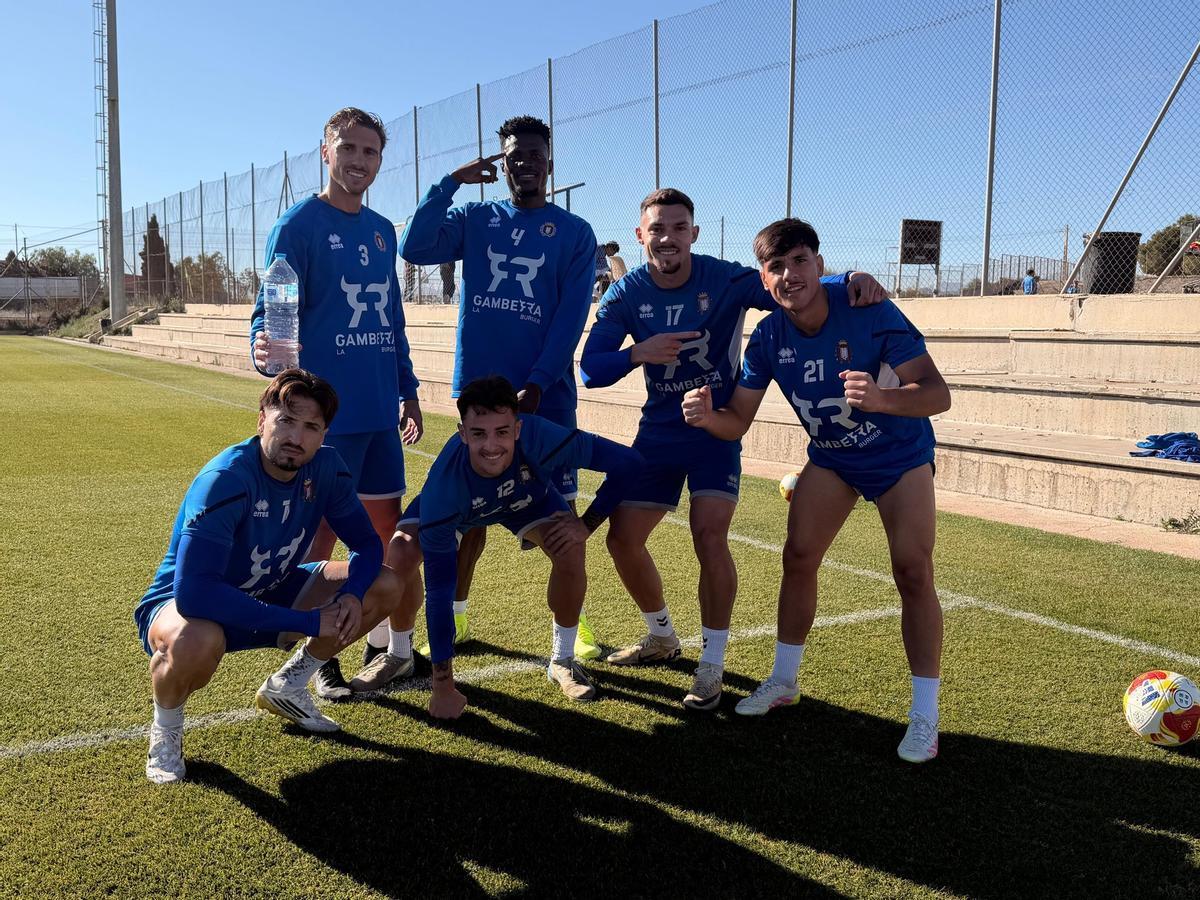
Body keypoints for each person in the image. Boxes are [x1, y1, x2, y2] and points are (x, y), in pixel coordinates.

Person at [578, 189, 888, 711]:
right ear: (640, 235)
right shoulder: (627, 292)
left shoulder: (721, 277)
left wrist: (848, 277)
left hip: (716, 431)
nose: (668, 238)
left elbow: (787, 286)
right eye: (657, 229)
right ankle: (662, 636)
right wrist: (638, 352)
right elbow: (591, 368)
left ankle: (712, 664)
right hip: (659, 432)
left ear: (694, 234)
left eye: (679, 228)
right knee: (623, 540)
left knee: (709, 534)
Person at [681, 218, 951, 762]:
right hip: (832, 457)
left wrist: (884, 400)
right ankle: (784, 680)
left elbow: (937, 393)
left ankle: (925, 715)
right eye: (776, 267)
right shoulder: (768, 337)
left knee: (912, 571)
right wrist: (708, 418)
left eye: (799, 261)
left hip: (898, 457)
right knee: (799, 556)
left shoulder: (868, 308)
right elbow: (738, 421)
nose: (789, 275)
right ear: (764, 278)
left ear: (819, 264)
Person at [134, 369, 407, 784]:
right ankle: (166, 730)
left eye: (311, 426)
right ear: (262, 419)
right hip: (188, 607)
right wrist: (307, 622)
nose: (296, 437)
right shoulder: (225, 480)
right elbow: (195, 594)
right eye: (286, 420)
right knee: (195, 640)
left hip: (273, 586)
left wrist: (352, 594)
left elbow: (367, 545)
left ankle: (290, 684)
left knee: (384, 584)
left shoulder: (326, 468)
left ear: (324, 434)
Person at [397, 115, 601, 660]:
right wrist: (450, 183)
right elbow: (414, 247)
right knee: (468, 517)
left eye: (534, 154)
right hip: (480, 397)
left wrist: (536, 383)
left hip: (545, 397)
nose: (524, 163)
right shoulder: (476, 217)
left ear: (549, 163)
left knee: (561, 519)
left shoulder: (575, 233)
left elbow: (570, 317)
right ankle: (458, 617)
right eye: (514, 155)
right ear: (502, 164)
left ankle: (573, 630)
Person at [250, 108, 424, 701]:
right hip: (325, 418)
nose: (359, 161)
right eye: (348, 148)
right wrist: (262, 348)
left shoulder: (382, 231)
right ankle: (312, 656)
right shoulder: (297, 225)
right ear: (325, 152)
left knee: (382, 532)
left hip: (378, 414)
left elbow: (392, 319)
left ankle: (375, 643)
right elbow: (271, 312)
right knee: (318, 539)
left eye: (370, 152)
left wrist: (408, 390)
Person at [377, 376, 643, 716]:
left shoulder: (541, 436)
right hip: (463, 510)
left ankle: (562, 660)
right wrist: (443, 685)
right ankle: (400, 654)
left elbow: (629, 463)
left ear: (518, 429)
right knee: (401, 551)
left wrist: (585, 524)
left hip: (526, 501)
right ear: (462, 433)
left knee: (570, 548)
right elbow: (440, 591)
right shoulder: (445, 487)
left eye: (502, 432)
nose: (491, 445)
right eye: (478, 434)